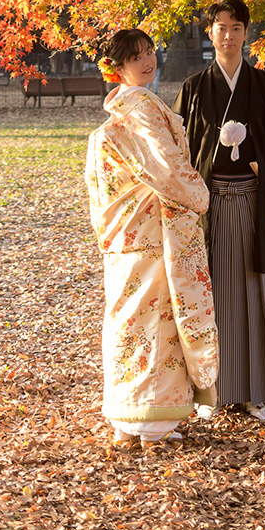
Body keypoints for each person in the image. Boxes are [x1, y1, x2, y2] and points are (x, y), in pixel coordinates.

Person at [174, 0, 265, 424]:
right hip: (209, 208)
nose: (228, 35)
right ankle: (211, 392)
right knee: (208, 297)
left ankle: (258, 391)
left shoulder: (264, 86)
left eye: (236, 27)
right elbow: (177, 155)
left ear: (246, 33)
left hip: (256, 207)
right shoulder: (194, 88)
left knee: (256, 294)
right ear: (210, 32)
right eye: (220, 26)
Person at [84, 28, 219, 451]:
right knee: (156, 321)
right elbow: (166, 166)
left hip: (126, 233)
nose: (146, 61)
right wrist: (199, 195)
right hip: (152, 230)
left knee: (128, 320)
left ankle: (126, 417)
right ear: (117, 68)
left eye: (148, 52)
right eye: (134, 57)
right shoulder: (139, 106)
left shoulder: (119, 113)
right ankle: (152, 421)